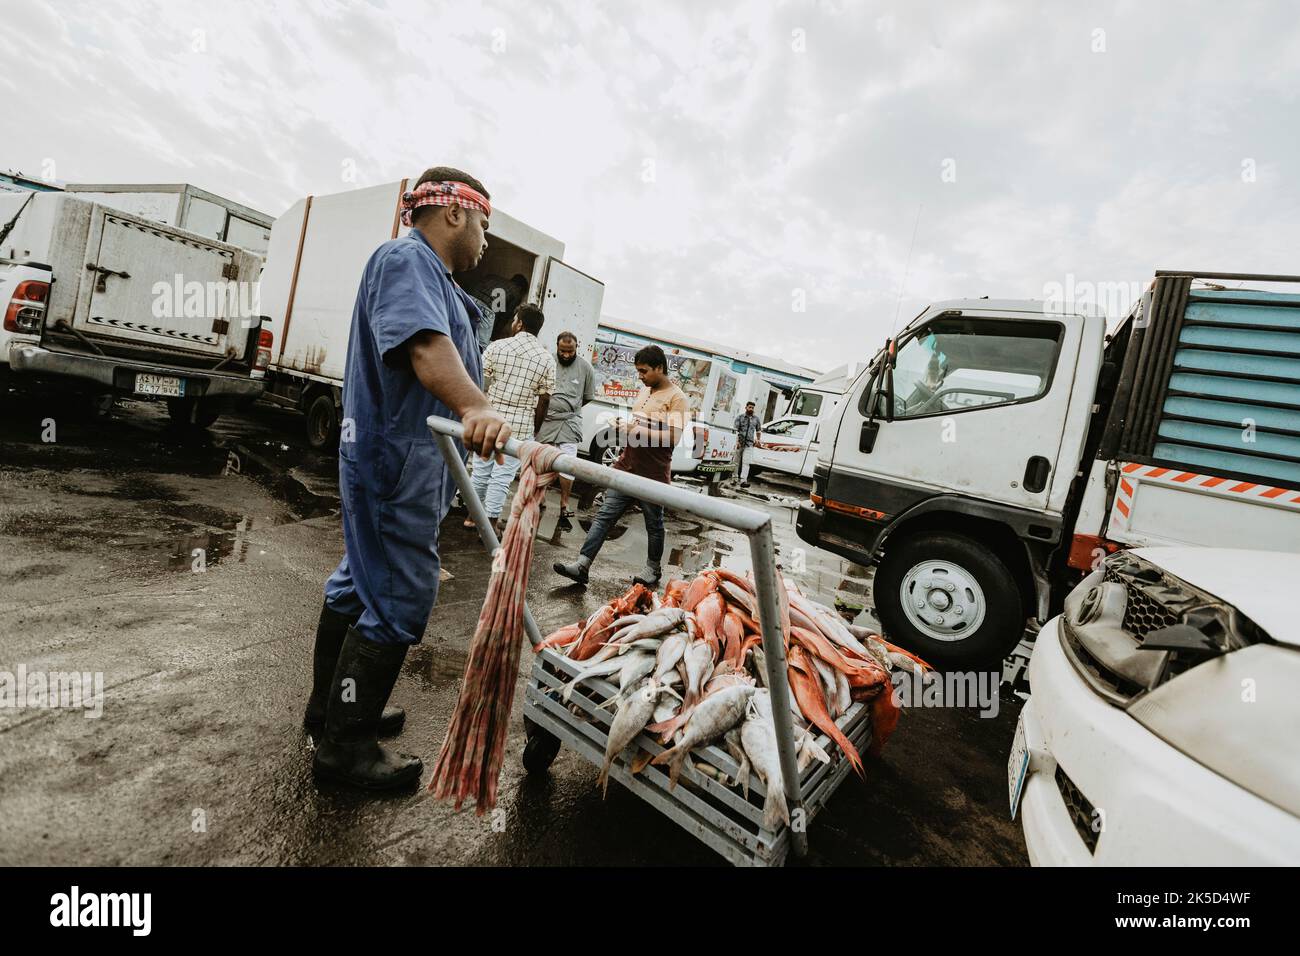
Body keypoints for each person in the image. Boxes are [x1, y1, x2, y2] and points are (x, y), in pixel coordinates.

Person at [305, 167, 511, 792]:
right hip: (393, 463)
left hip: (396, 461)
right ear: (454, 212)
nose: (484, 239)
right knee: (398, 596)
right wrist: (475, 406)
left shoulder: (437, 279)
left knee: (357, 583)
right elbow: (424, 349)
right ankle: (345, 751)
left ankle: (334, 709)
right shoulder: (407, 260)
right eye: (483, 223)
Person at [554, 344, 687, 588]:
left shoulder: (677, 398)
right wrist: (625, 425)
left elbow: (672, 437)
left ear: (659, 368)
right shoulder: (645, 390)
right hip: (627, 465)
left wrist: (634, 429)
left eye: (644, 371)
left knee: (654, 525)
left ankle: (653, 570)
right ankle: (582, 565)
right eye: (638, 371)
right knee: (604, 516)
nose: (640, 376)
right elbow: (640, 423)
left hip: (653, 474)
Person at [466, 302, 555, 531]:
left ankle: (471, 517)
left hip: (492, 419)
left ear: (520, 324)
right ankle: (490, 522)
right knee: (502, 477)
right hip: (521, 424)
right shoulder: (546, 359)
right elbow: (544, 400)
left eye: (515, 319)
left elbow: (480, 383)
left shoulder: (497, 347)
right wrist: (534, 430)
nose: (513, 323)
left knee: (481, 470)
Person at [536, 331, 596, 531]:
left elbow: (586, 397)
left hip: (570, 421)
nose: (567, 355)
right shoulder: (547, 361)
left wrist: (569, 408)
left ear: (576, 347)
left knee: (568, 463)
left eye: (571, 351)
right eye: (563, 351)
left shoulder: (586, 368)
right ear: (557, 346)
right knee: (543, 460)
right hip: (547, 419)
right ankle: (540, 496)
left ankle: (564, 504)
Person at [734, 400, 762, 487]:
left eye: (752, 408)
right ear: (746, 407)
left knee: (746, 463)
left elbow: (758, 430)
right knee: (736, 462)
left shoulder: (756, 419)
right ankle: (734, 479)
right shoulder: (740, 417)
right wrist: (737, 442)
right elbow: (735, 430)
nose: (751, 409)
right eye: (749, 407)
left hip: (749, 444)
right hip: (740, 442)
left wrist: (758, 440)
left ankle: (743, 481)